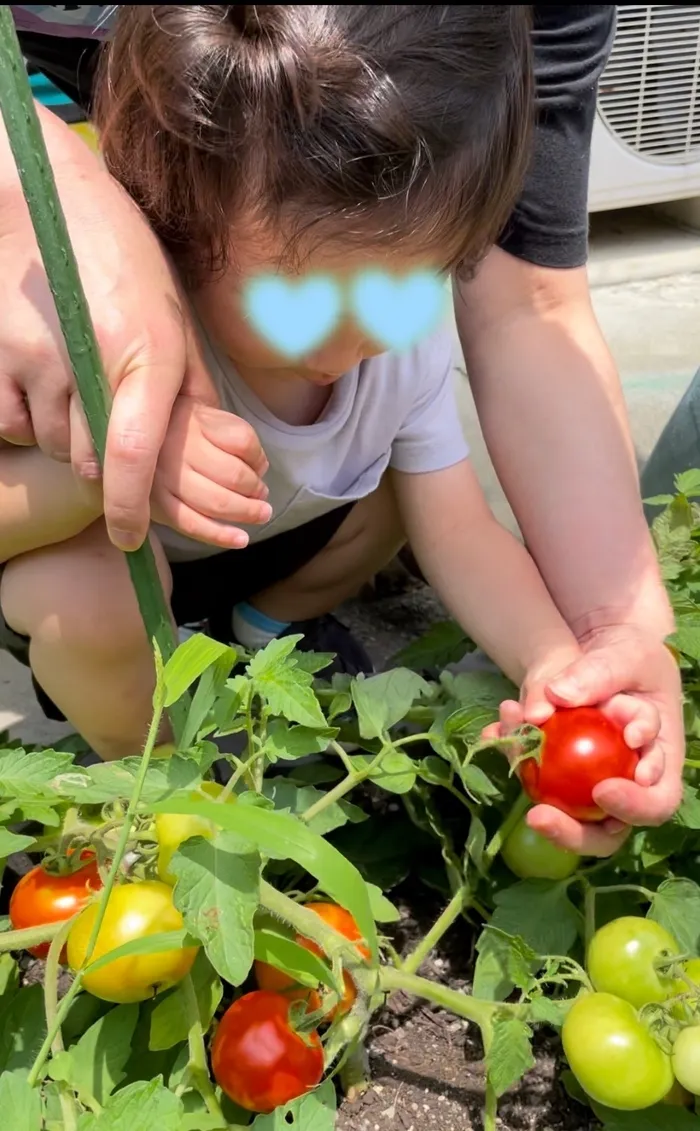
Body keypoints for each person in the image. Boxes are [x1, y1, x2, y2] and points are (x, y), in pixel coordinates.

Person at [0, 5, 683, 857]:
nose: (354, 343)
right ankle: (163, 782)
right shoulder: (106, 326)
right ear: (172, 223)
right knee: (79, 599)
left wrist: (557, 661)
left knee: (416, 482)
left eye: (412, 286)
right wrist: (108, 462)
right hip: (134, 577)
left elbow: (461, 529)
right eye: (301, 305)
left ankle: (266, 627)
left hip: (279, 539)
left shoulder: (394, 328)